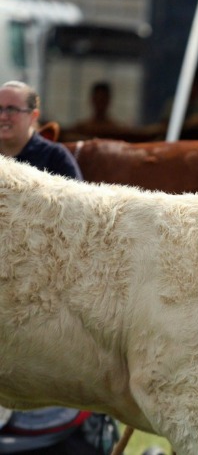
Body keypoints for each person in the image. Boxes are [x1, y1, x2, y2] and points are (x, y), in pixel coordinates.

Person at [0, 80, 119, 454]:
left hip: (43, 293)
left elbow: (77, 229)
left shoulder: (55, 161)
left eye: (11, 110)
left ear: (33, 116)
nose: (2, 117)